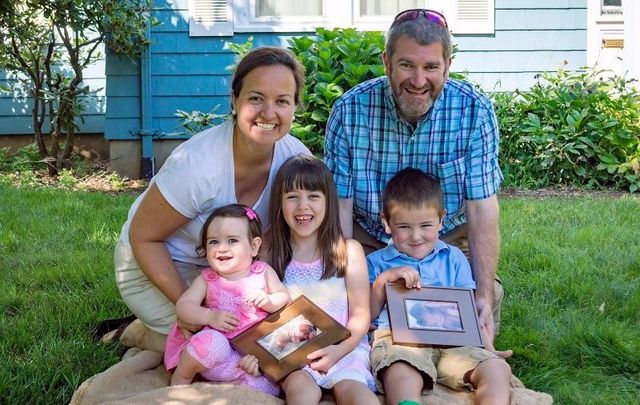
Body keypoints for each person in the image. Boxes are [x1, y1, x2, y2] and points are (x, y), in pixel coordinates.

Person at [111, 46, 310, 352]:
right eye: (256, 98)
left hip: (228, 272)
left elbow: (284, 236)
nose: (269, 113)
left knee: (266, 343)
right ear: (235, 100)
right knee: (214, 348)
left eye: (282, 101)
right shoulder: (198, 163)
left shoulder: (295, 159)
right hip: (156, 265)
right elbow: (143, 238)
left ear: (294, 108)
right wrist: (189, 308)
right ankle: (140, 333)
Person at [323, 8, 504, 344]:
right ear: (387, 62)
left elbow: (482, 209)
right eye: (407, 65)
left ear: (447, 65)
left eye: (431, 67)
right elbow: (340, 210)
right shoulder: (349, 111)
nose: (419, 81)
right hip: (369, 238)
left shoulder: (475, 111)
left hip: (445, 240)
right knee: (353, 316)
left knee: (479, 305)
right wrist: (344, 287)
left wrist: (482, 293)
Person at [368, 168, 511, 405]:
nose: (416, 236)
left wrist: (488, 348)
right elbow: (370, 314)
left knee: (497, 369)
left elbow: (467, 310)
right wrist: (384, 280)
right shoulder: (376, 262)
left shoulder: (454, 258)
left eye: (426, 225)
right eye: (404, 227)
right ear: (387, 222)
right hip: (399, 340)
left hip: (453, 341)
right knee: (400, 371)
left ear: (442, 219)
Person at [268, 155, 378, 405]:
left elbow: (361, 314)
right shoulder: (270, 252)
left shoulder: (349, 250)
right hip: (295, 357)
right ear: (279, 203)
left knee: (359, 396)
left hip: (345, 348)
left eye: (313, 196)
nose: (302, 206)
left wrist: (339, 350)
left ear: (328, 202)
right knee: (300, 393)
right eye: (292, 197)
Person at [164, 204, 290, 394]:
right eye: (214, 242)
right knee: (211, 342)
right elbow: (183, 306)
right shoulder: (208, 278)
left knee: (268, 387)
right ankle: (182, 377)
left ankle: (231, 389)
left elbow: (284, 296)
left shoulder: (263, 272)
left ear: (254, 246)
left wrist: (269, 301)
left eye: (232, 240)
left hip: (250, 358)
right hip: (217, 356)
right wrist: (209, 317)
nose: (222, 248)